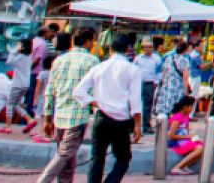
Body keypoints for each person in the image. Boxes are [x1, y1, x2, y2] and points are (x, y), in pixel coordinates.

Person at [74, 32, 145, 183]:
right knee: (123, 158)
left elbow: (79, 91)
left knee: (97, 158)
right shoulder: (132, 69)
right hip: (120, 120)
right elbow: (135, 100)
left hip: (101, 116)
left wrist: (94, 102)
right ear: (127, 50)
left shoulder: (99, 68)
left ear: (110, 49)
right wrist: (138, 125)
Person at [35, 30, 98, 183]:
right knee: (64, 154)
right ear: (88, 41)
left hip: (59, 114)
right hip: (77, 115)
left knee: (66, 158)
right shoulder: (92, 61)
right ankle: (43, 181)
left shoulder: (59, 60)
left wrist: (48, 118)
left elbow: (50, 91)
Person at [163, 97, 204, 176]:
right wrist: (188, 137)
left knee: (203, 147)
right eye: (191, 106)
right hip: (175, 142)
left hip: (183, 140)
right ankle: (177, 167)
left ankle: (184, 166)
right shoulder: (177, 117)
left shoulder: (186, 117)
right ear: (185, 107)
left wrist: (192, 137)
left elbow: (186, 131)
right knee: (200, 149)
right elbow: (171, 135)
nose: (192, 109)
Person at [133, 40, 161, 137]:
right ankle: (133, 126)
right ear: (142, 48)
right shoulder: (138, 59)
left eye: (150, 47)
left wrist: (156, 82)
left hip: (150, 83)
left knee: (148, 106)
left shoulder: (156, 59)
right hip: (138, 83)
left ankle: (146, 125)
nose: (148, 49)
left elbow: (159, 71)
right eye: (146, 47)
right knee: (135, 104)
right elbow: (133, 70)